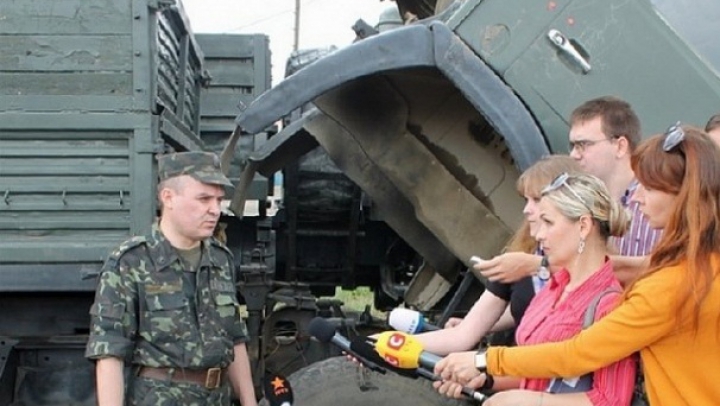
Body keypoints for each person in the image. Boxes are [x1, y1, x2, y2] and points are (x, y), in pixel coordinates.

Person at [450, 125, 720, 406]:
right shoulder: (699, 265)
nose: (637, 198)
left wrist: (487, 360)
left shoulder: (670, 285)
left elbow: (578, 356)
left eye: (649, 189)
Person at [435, 173, 636, 406]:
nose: (538, 235)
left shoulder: (609, 304)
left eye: (548, 222)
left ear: (583, 226)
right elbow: (538, 371)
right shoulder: (555, 286)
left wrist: (531, 401)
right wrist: (484, 380)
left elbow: (611, 399)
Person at [85, 151, 258, 406]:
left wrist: (249, 401)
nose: (214, 210)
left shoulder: (220, 259)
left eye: (218, 200)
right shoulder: (131, 261)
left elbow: (235, 338)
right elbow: (110, 351)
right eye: (203, 199)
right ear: (169, 198)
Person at [475, 96, 661, 286]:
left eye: (583, 145)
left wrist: (540, 265)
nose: (573, 155)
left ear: (620, 146)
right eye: (572, 146)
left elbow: (659, 270)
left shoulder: (657, 203)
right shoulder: (580, 201)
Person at [413, 156, 581, 358]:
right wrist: (390, 342)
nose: (527, 210)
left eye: (536, 200)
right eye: (526, 200)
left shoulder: (596, 266)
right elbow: (462, 336)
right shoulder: (520, 256)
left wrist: (539, 266)